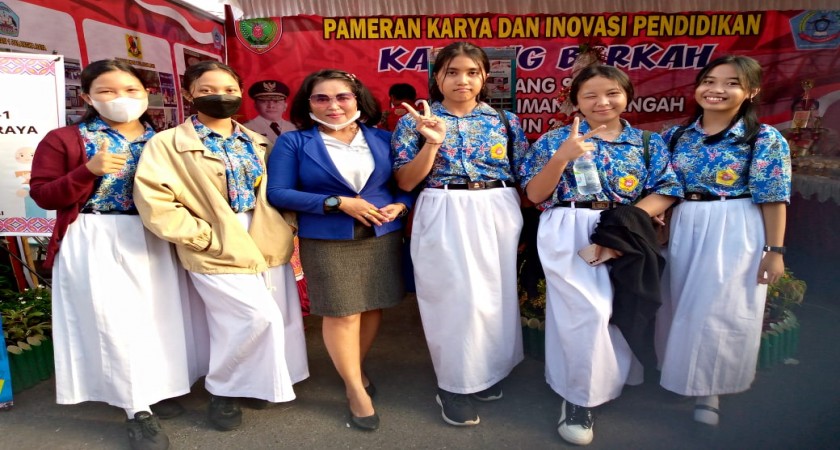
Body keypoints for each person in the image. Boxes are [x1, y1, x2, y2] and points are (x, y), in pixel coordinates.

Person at [132, 60, 307, 432]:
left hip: (264, 234)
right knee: (254, 317)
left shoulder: (256, 140)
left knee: (269, 318)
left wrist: (285, 224)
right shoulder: (166, 144)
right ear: (188, 94)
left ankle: (255, 382)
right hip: (213, 239)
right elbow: (155, 201)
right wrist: (201, 237)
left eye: (228, 89)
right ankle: (223, 389)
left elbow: (277, 190)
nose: (220, 97)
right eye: (208, 90)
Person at [29, 59, 193, 450]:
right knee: (113, 322)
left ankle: (157, 387)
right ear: (86, 96)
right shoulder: (66, 139)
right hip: (94, 234)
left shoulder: (164, 138)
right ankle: (136, 408)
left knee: (159, 317)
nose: (121, 98)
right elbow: (43, 194)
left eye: (131, 90)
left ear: (146, 94)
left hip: (154, 235)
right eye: (107, 91)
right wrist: (87, 170)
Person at [519, 65, 681, 445]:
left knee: (622, 304)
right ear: (574, 102)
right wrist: (562, 157)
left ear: (627, 95)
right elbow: (535, 195)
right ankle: (579, 398)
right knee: (585, 313)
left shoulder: (647, 143)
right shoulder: (553, 140)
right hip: (570, 228)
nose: (602, 102)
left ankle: (619, 377)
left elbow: (669, 186)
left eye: (611, 93)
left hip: (626, 229)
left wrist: (627, 224)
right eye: (590, 95)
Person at [391, 41, 528, 427]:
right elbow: (405, 180)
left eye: (472, 72)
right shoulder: (415, 120)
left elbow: (523, 174)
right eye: (452, 72)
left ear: (485, 77)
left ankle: (486, 372)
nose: (462, 80)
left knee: (492, 296)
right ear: (438, 77)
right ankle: (453, 384)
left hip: (498, 207)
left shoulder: (505, 121)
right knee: (451, 298)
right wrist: (432, 143)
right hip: (443, 205)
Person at [266, 69, 410, 431]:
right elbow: (278, 192)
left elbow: (406, 184)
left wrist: (401, 205)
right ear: (308, 102)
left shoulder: (384, 138)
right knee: (342, 313)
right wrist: (337, 202)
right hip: (328, 238)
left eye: (342, 96)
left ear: (358, 99)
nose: (333, 105)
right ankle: (353, 389)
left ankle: (354, 369)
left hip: (380, 234)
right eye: (322, 98)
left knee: (373, 304)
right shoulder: (294, 142)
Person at [657, 55, 791, 426]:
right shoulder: (676, 136)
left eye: (731, 83)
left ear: (751, 91)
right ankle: (676, 375)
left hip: (734, 223)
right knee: (678, 302)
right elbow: (664, 188)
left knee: (718, 308)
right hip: (685, 222)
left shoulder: (763, 139)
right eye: (710, 81)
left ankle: (709, 391)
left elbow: (774, 197)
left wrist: (774, 251)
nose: (717, 90)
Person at [242, 79, 296, 144]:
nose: (271, 106)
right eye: (264, 101)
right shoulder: (246, 128)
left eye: (276, 101)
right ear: (256, 105)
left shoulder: (294, 127)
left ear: (285, 106)